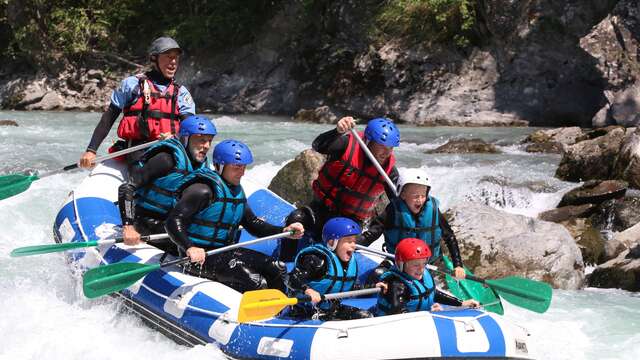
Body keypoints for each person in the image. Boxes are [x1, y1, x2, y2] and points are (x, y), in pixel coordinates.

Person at [164, 139, 304, 293]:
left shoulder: (236, 192)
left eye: (244, 167)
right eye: (237, 167)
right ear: (220, 166)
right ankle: (255, 314)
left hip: (224, 252)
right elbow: (173, 221)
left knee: (275, 269)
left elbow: (253, 223)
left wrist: (283, 231)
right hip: (198, 258)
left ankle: (283, 312)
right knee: (255, 281)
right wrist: (189, 247)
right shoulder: (202, 190)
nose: (242, 172)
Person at [281, 116, 400, 260]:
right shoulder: (346, 145)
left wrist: (371, 233)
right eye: (382, 146)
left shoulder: (389, 172)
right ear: (369, 141)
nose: (387, 153)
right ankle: (283, 265)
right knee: (296, 218)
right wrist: (337, 131)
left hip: (350, 222)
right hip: (321, 209)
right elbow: (318, 145)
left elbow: (397, 205)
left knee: (342, 242)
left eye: (391, 148)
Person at [79, 36, 196, 168]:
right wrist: (91, 150)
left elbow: (191, 127)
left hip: (170, 148)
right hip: (137, 150)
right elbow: (109, 117)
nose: (173, 61)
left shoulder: (182, 93)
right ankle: (133, 184)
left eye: (176, 57)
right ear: (154, 58)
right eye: (168, 56)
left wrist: (176, 137)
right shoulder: (132, 85)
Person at [117, 115, 216, 248]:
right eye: (201, 140)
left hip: (174, 223)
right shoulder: (166, 159)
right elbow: (127, 188)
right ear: (185, 139)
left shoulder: (202, 167)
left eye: (209, 141)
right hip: (148, 222)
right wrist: (128, 227)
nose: (207, 146)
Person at [359, 168, 467, 280]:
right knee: (377, 275)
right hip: (398, 264)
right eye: (415, 196)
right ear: (403, 195)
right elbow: (372, 233)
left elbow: (449, 237)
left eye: (423, 195)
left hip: (426, 265)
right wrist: (354, 245)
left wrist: (458, 265)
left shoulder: (433, 210)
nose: (420, 200)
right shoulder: (393, 210)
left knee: (425, 285)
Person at [287, 217, 378, 320]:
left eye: (354, 241)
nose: (353, 245)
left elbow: (353, 288)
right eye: (348, 241)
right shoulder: (316, 260)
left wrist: (373, 286)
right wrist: (307, 290)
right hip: (304, 311)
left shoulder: (347, 263)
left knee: (365, 316)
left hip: (329, 309)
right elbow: (291, 278)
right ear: (332, 243)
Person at [375, 238, 479, 316]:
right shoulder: (397, 284)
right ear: (401, 264)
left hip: (419, 319)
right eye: (415, 265)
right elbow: (398, 313)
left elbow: (432, 293)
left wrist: (461, 303)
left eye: (424, 264)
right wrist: (427, 315)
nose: (421, 269)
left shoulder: (420, 275)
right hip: (396, 326)